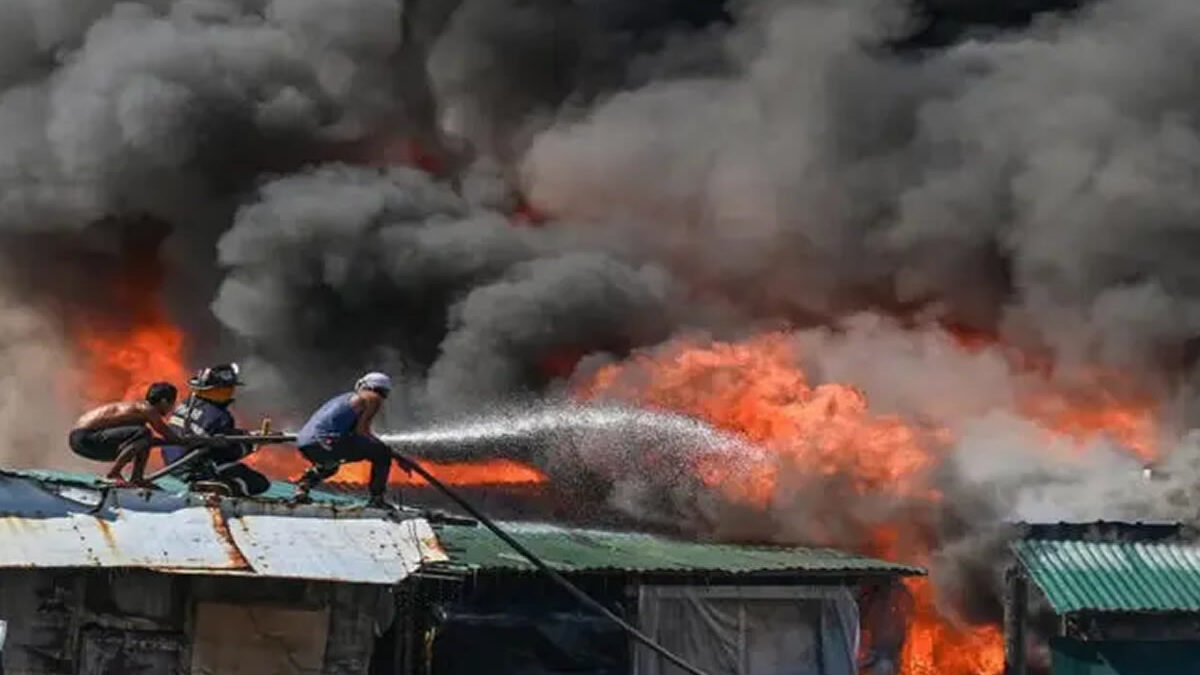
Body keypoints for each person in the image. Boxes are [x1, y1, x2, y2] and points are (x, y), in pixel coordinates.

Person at [293, 372, 413, 508]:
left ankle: (302, 489)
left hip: (305, 442)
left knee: (330, 465)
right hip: (326, 442)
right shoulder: (372, 397)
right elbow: (362, 432)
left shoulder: (345, 398)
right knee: (382, 453)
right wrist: (391, 453)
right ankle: (377, 499)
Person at [161, 363, 271, 497]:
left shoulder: (186, 403)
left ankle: (211, 483)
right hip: (195, 467)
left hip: (171, 461)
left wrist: (246, 435)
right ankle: (217, 488)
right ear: (217, 390)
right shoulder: (220, 415)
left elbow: (213, 433)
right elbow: (225, 452)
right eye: (228, 388)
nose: (231, 391)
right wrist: (251, 445)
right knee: (258, 483)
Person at [68, 382, 182, 486]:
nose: (172, 408)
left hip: (82, 440)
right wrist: (192, 441)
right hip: (84, 437)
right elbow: (169, 435)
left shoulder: (139, 411)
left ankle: (137, 478)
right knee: (144, 433)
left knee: (144, 438)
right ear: (163, 401)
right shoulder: (147, 410)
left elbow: (149, 442)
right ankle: (113, 474)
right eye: (172, 404)